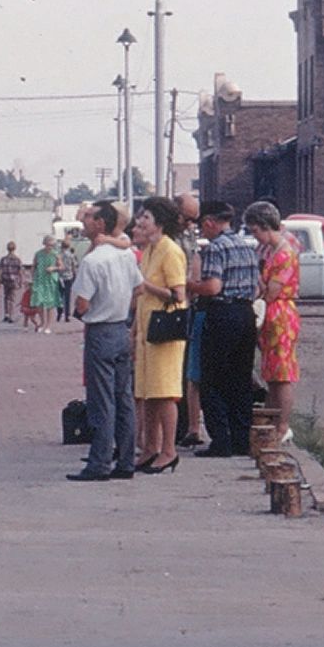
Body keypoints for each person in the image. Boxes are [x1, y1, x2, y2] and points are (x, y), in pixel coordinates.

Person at [66, 201, 143, 481]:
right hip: (121, 327)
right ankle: (126, 460)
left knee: (101, 400)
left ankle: (99, 463)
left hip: (100, 330)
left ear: (100, 223)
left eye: (88, 217)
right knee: (123, 397)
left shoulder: (93, 261)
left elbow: (83, 303)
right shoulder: (125, 255)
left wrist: (81, 312)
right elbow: (140, 287)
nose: (83, 222)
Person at [190, 200, 261, 458]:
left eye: (202, 227)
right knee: (240, 379)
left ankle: (221, 440)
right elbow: (257, 288)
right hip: (245, 313)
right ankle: (241, 439)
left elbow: (212, 287)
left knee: (213, 379)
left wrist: (191, 286)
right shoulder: (246, 247)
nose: (202, 232)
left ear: (210, 222)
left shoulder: (215, 248)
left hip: (222, 314)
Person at [129, 196, 189, 473]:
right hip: (146, 330)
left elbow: (177, 294)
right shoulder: (150, 250)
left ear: (159, 223)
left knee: (165, 392)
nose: (140, 222)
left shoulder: (170, 251)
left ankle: (169, 449)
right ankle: (150, 446)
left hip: (165, 331)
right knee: (148, 392)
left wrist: (147, 286)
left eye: (146, 218)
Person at [246, 201, 301, 420]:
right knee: (272, 373)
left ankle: (282, 425)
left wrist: (258, 277)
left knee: (282, 373)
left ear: (265, 226)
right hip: (273, 313)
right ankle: (271, 420)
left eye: (256, 231)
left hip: (281, 314)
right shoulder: (272, 251)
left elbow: (271, 291)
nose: (256, 236)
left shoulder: (283, 254)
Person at [175, 193, 207, 448]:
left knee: (189, 367)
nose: (191, 224)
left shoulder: (189, 236)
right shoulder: (168, 237)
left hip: (190, 304)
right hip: (174, 306)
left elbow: (194, 265)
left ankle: (190, 424)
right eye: (188, 219)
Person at [24, 235, 61, 330]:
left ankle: (48, 325)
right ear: (44, 244)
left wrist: (54, 268)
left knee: (50, 303)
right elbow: (34, 266)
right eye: (48, 245)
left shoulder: (56, 254)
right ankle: (42, 322)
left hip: (50, 280)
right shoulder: (38, 254)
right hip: (39, 279)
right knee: (39, 302)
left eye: (52, 245)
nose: (50, 247)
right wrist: (30, 279)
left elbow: (61, 267)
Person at [0, 242, 25, 323]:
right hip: (14, 280)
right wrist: (21, 281)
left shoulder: (3, 259)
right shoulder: (17, 259)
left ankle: (6, 314)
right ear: (15, 248)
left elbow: (0, 271)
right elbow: (20, 271)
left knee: (6, 297)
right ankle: (11, 315)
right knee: (12, 298)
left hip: (5, 280)